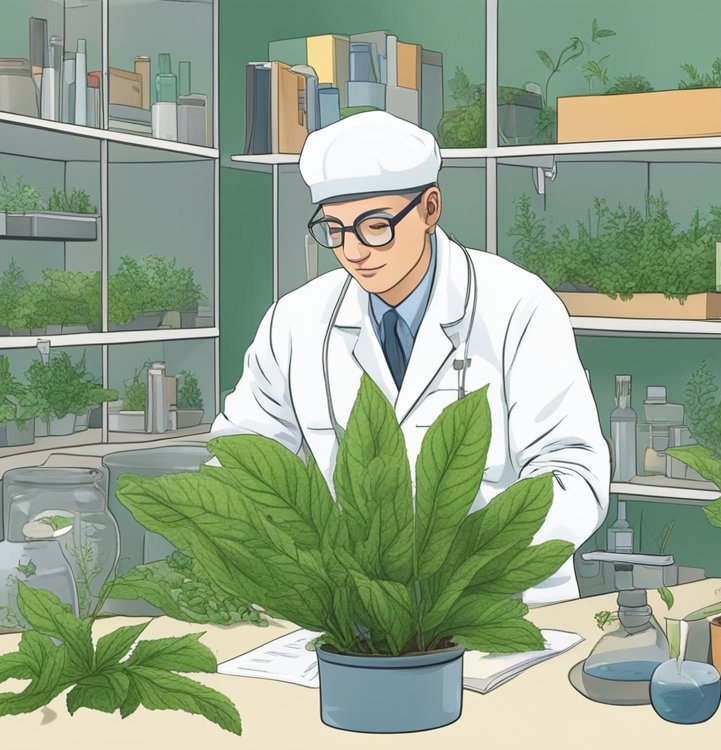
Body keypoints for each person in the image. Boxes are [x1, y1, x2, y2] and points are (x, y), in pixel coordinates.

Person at [211, 111, 609, 605]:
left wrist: (462, 559)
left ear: (430, 209)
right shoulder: (293, 322)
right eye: (335, 229)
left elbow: (574, 478)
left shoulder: (519, 308)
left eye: (375, 226)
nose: (354, 251)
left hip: (497, 605)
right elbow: (243, 460)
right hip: (350, 613)